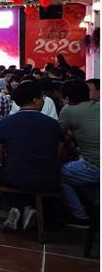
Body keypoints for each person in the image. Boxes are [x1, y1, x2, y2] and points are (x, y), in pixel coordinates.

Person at [0, 81, 63, 230]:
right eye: (42, 98)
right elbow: (58, 152)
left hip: (15, 176)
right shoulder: (52, 124)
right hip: (47, 178)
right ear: (35, 100)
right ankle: (28, 208)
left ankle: (19, 206)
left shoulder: (6, 122)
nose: (43, 100)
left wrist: (4, 162)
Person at [59, 79, 100, 227]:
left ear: (66, 98)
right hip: (92, 162)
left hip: (95, 166)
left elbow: (58, 138)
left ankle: (80, 216)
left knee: (59, 174)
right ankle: (92, 206)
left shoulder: (68, 110)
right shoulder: (98, 106)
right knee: (77, 168)